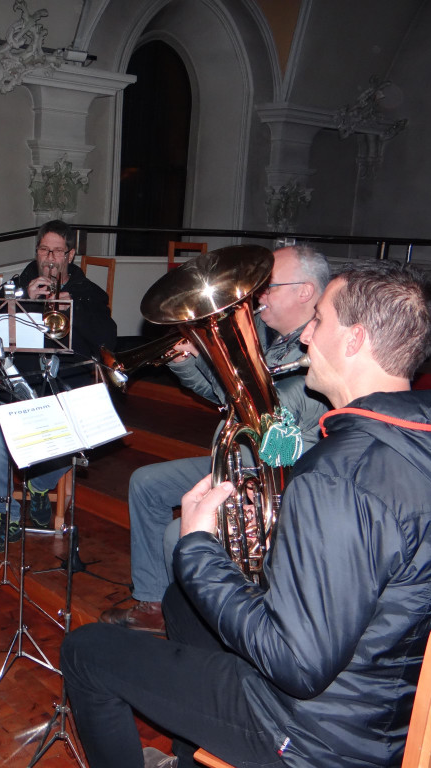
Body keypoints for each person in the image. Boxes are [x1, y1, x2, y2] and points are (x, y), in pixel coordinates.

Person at [61, 261, 431, 768]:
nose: (305, 336)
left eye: (319, 320)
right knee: (181, 603)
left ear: (354, 339)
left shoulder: (337, 476)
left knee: (88, 651)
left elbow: (296, 664)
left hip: (315, 734)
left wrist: (197, 546)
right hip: (389, 702)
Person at [100, 245, 331, 633]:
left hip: (274, 479)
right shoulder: (270, 336)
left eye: (268, 286)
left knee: (179, 533)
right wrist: (188, 362)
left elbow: (256, 411)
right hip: (239, 461)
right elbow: (222, 396)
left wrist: (209, 354)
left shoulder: (315, 352)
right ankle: (154, 602)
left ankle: (193, 625)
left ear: (304, 291)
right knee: (146, 483)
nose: (257, 295)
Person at [0, 219, 117, 552]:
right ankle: (5, 515)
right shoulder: (14, 287)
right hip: (19, 385)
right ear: (37, 251)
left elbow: (107, 341)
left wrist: (73, 309)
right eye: (44, 250)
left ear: (70, 254)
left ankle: (39, 485)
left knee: (87, 429)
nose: (50, 259)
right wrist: (25, 302)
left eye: (57, 251)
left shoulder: (89, 293)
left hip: (67, 384)